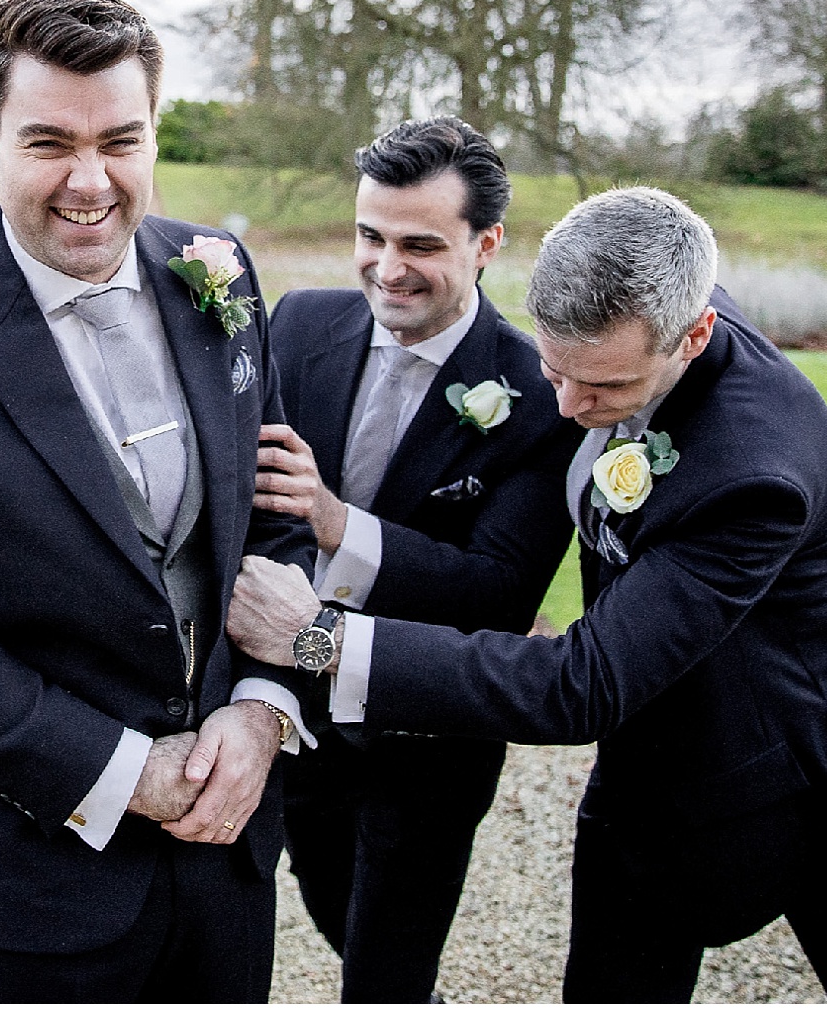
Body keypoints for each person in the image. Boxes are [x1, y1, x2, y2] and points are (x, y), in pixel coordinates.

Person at [230, 186, 827, 1003]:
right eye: (554, 371)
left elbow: (578, 683)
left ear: (694, 335)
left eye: (606, 390)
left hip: (826, 777)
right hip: (648, 769)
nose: (568, 409)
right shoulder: (641, 295)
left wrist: (318, 637)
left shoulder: (755, 471)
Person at [0, 0, 316, 1002]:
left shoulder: (217, 276)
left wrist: (264, 709)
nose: (91, 181)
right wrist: (125, 773)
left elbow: (275, 517)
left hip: (226, 854)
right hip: (34, 880)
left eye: (121, 141)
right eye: (51, 142)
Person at [252, 117, 577, 1002]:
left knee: (387, 968)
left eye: (420, 245)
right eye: (371, 236)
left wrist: (334, 523)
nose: (387, 268)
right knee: (327, 900)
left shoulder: (541, 393)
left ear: (487, 245)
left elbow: (500, 592)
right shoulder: (302, 322)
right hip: (297, 707)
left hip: (431, 733)